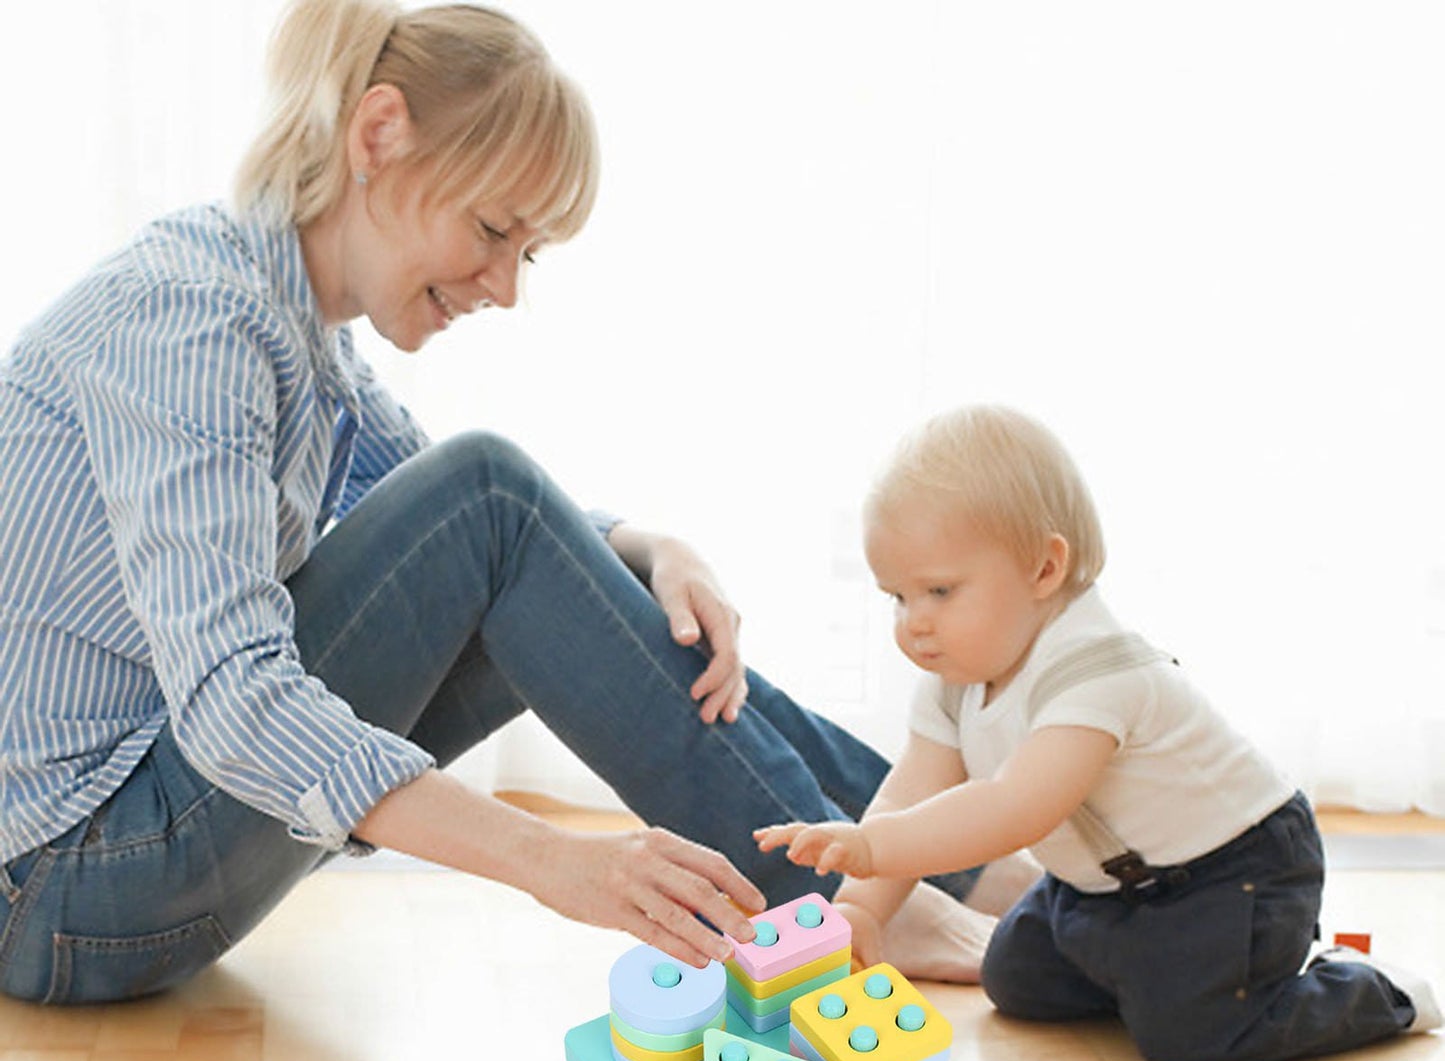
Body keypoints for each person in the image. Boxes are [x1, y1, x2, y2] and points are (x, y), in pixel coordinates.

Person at [0, 0, 1010, 1006]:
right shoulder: (194, 319)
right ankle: (844, 891)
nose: (503, 286)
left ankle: (944, 850)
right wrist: (559, 864)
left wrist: (638, 541)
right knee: (493, 498)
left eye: (525, 251)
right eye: (491, 229)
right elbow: (235, 700)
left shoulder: (295, 333)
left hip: (128, 854)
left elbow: (503, 548)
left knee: (532, 537)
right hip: (61, 886)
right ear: (378, 136)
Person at [757, 404, 1442, 1061]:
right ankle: (1160, 970)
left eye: (938, 591)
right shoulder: (956, 677)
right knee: (1016, 981)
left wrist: (874, 847)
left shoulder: (1098, 669)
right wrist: (860, 905)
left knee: (1195, 1035)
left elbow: (1014, 807)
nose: (913, 623)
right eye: (897, 598)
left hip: (1236, 870)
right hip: (1104, 884)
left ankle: (1371, 990)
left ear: (1044, 569)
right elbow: (910, 788)